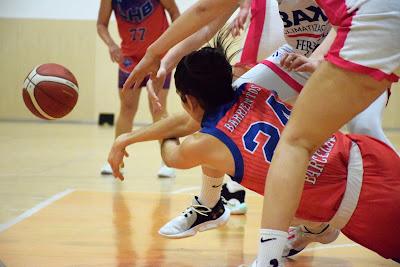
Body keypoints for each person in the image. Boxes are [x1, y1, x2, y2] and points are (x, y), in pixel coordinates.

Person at [108, 40, 400, 264]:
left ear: (189, 101)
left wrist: (159, 125)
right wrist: (129, 138)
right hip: (368, 155)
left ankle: (292, 233)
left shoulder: (205, 144)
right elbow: (190, 120)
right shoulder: (251, 86)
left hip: (363, 207)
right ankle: (312, 228)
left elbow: (172, 154)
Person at [96, 0, 180, 177]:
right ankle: (116, 159)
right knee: (126, 108)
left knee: (157, 108)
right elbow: (101, 24)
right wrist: (111, 45)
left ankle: (168, 162)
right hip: (129, 58)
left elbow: (174, 12)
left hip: (158, 55)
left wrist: (175, 44)